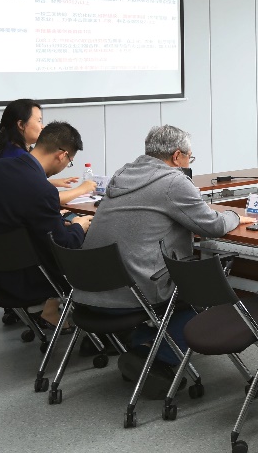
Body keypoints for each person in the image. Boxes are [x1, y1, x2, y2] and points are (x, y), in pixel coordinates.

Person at [74, 125, 240, 385]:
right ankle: (155, 358)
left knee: (171, 284)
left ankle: (142, 343)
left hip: (88, 290)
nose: (189, 163)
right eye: (189, 157)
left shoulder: (122, 174)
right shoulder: (173, 181)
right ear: (177, 156)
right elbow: (214, 226)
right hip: (131, 294)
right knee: (204, 292)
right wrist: (235, 215)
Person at [0, 121, 92, 325]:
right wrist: (79, 225)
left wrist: (58, 223)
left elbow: (18, 219)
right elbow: (65, 246)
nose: (66, 166)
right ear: (62, 155)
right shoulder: (42, 189)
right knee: (95, 243)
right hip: (32, 277)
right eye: (69, 161)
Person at [0, 98, 95, 205]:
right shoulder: (19, 160)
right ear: (21, 125)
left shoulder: (12, 152)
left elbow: (23, 186)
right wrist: (82, 189)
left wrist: (51, 182)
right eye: (39, 121)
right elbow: (46, 198)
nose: (42, 126)